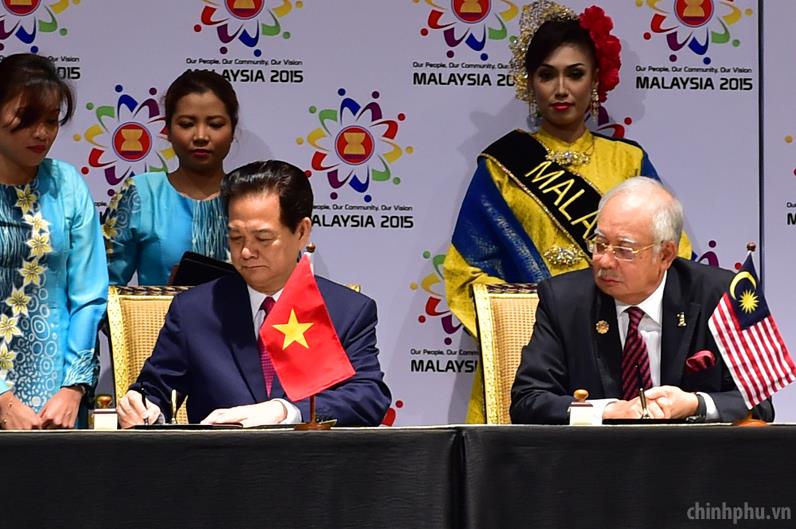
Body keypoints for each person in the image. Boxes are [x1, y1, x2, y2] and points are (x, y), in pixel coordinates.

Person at [442, 1, 692, 422]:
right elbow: (465, 276)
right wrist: (541, 319)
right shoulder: (501, 168)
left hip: (619, 345)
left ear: (596, 80)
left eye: (574, 74)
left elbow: (670, 257)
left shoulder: (627, 161)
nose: (561, 89)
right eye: (547, 75)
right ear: (530, 83)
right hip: (530, 350)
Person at [116, 160, 391, 427]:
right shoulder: (194, 310)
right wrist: (143, 408)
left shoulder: (345, 311)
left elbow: (368, 396)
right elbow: (155, 391)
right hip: (220, 456)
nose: (246, 252)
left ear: (301, 231)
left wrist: (286, 410)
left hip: (310, 458)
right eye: (236, 238)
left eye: (263, 238)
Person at [510, 178, 773, 424]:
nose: (604, 261)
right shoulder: (563, 300)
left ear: (665, 255)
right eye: (600, 244)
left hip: (693, 455)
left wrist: (695, 404)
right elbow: (528, 401)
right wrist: (609, 410)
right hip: (594, 455)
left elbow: (760, 403)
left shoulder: (722, 294)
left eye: (624, 249)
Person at [0, 53, 108, 430]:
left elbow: (89, 295)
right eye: (27, 119)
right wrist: (2, 399)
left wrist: (73, 388)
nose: (41, 133)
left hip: (56, 397)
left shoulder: (67, 184)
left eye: (50, 120)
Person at [103, 69, 238, 285]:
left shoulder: (250, 198)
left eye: (215, 124)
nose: (201, 136)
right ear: (168, 130)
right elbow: (104, 286)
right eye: (186, 124)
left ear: (232, 130)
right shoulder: (141, 194)